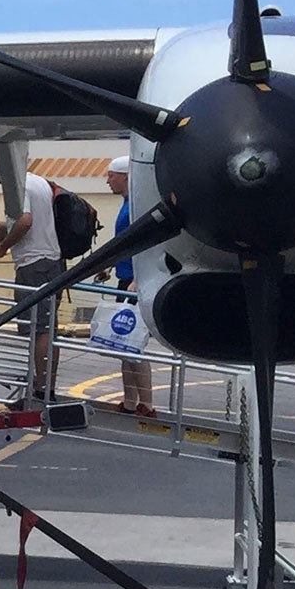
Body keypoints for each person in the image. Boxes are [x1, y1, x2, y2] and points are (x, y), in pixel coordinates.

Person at [0, 150, 63, 399]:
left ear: (1, 171)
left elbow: (25, 221)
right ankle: (46, 385)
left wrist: (2, 247)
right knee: (49, 327)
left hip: (33, 263)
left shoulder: (16, 187)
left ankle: (41, 390)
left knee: (37, 328)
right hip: (53, 260)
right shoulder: (39, 181)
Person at [106, 155, 158, 418]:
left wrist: (139, 276)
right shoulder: (129, 203)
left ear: (124, 176)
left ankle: (146, 403)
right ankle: (130, 400)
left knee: (134, 342)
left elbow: (144, 242)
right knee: (124, 342)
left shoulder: (137, 205)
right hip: (125, 276)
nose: (107, 180)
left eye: (111, 175)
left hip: (133, 280)